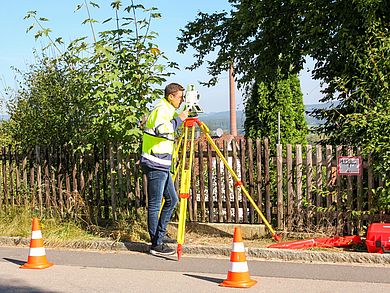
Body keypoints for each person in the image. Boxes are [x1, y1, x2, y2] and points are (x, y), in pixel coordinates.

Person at [140, 83, 189, 256]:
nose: (182, 100)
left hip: (162, 163)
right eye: (180, 97)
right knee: (154, 205)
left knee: (172, 200)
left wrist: (184, 115)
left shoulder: (168, 109)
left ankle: (160, 235)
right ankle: (155, 244)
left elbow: (173, 124)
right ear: (171, 97)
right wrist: (180, 119)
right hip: (155, 162)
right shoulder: (161, 110)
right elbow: (164, 130)